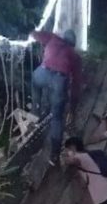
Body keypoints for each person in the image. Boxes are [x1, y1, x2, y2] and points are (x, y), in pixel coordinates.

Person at [30, 29, 82, 166]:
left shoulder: (53, 38)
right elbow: (76, 84)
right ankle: (54, 155)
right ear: (73, 44)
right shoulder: (75, 57)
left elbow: (35, 34)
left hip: (44, 72)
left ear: (63, 37)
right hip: (60, 80)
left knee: (35, 81)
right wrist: (72, 108)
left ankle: (35, 112)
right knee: (57, 118)